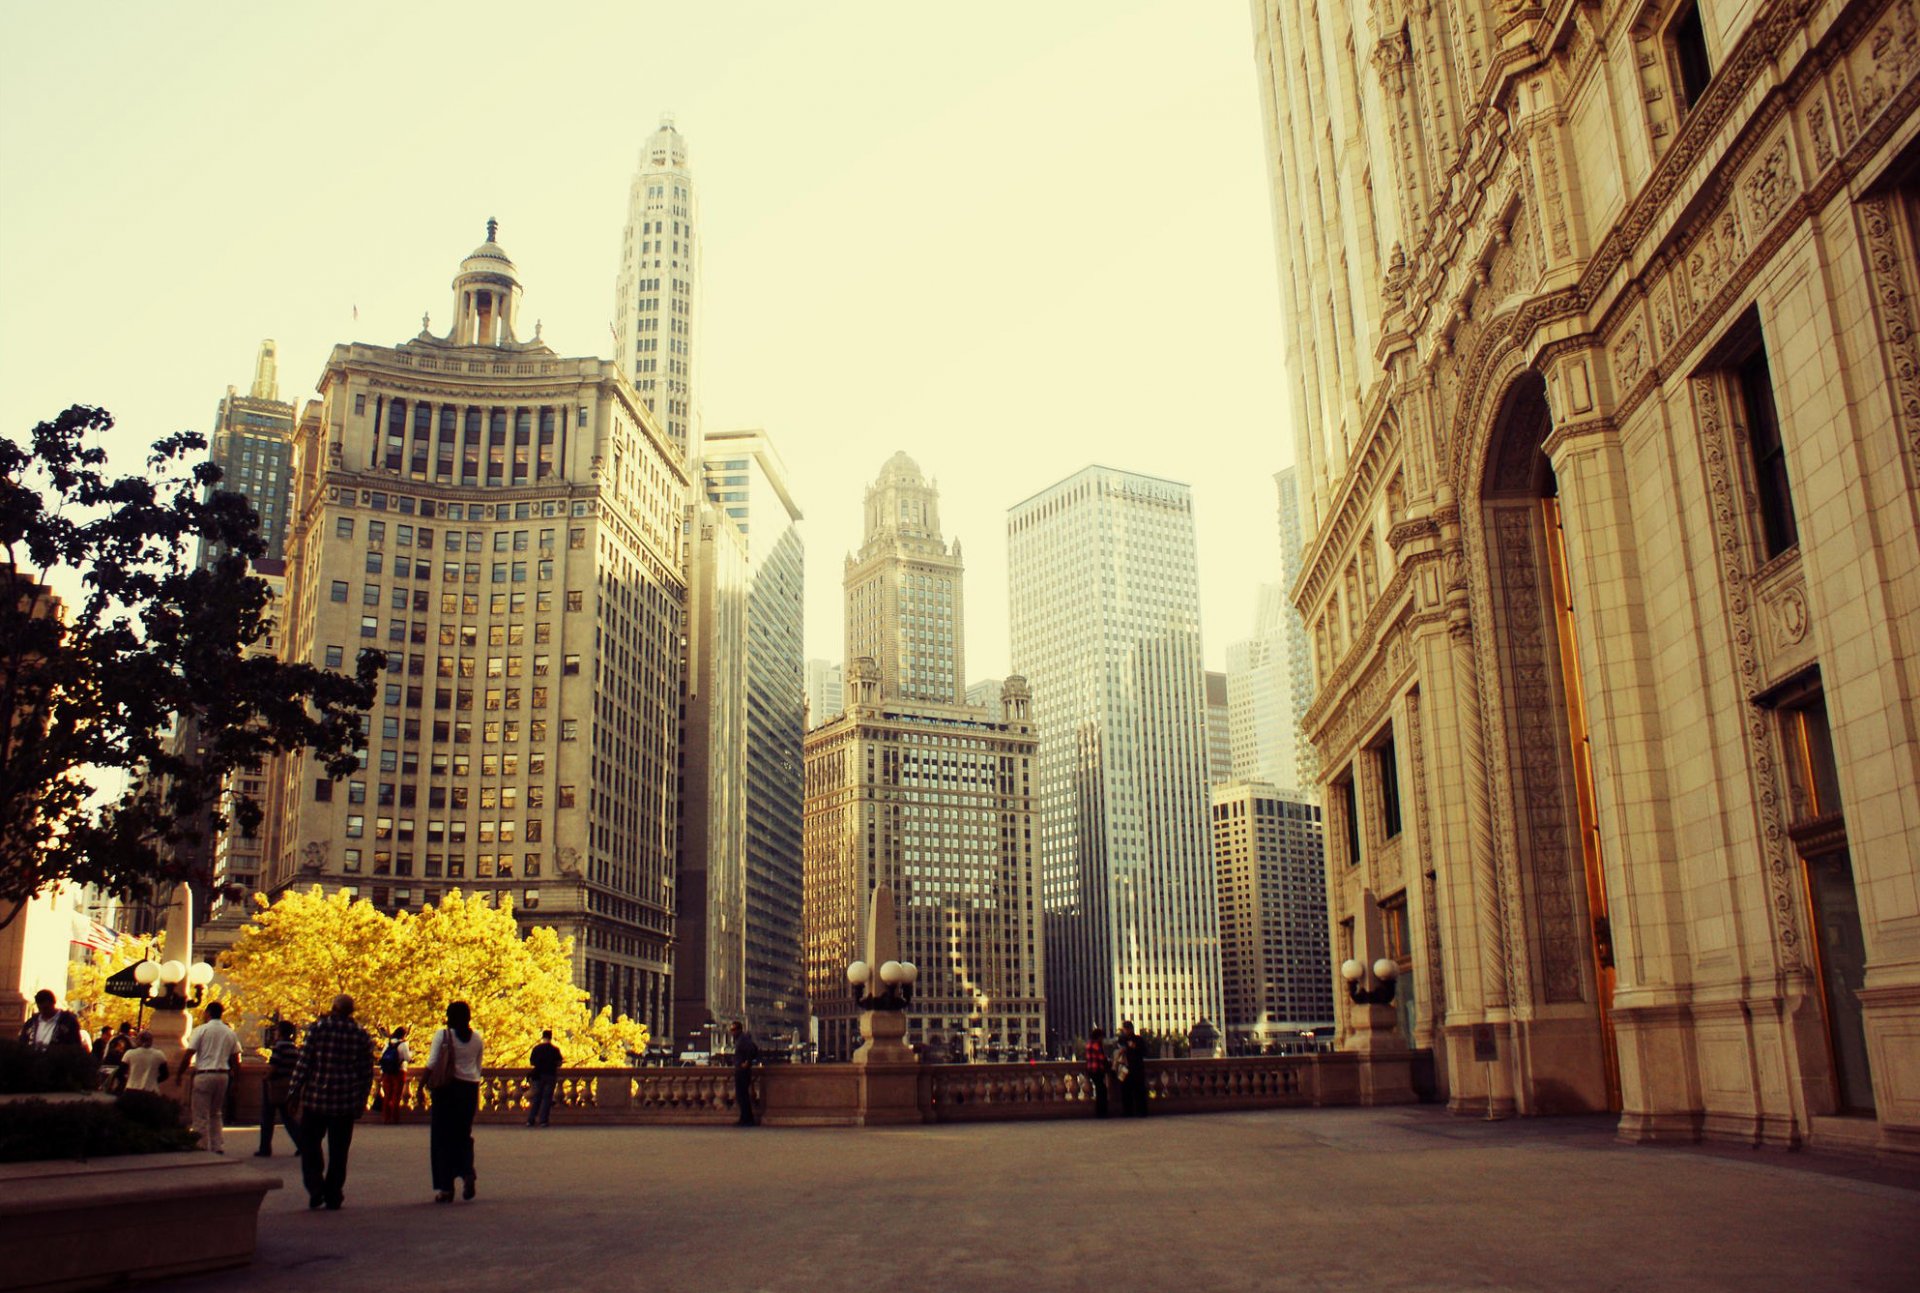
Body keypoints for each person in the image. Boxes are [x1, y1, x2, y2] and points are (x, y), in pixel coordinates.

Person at [289, 995, 375, 1212]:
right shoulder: (360, 1034)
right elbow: (365, 1073)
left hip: (316, 1099)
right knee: (339, 1151)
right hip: (344, 1101)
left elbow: (304, 1062)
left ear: (333, 1008)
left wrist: (294, 1091)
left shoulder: (318, 1029)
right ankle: (333, 1193)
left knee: (310, 1146)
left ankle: (315, 1187)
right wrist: (362, 1099)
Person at [427, 1001, 484, 1203]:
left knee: (442, 1139)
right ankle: (467, 1171)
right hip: (469, 1089)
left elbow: (432, 1063)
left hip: (446, 1090)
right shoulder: (477, 1038)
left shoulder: (443, 1035)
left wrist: (424, 1085)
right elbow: (478, 1067)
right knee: (463, 1135)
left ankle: (446, 1188)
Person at [178, 1001, 242, 1153]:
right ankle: (217, 1145)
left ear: (208, 1013)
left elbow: (189, 1053)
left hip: (205, 1074)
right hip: (223, 1076)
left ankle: (201, 1144)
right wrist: (236, 1082)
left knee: (200, 1112)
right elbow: (235, 1059)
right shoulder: (229, 1032)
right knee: (216, 1112)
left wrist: (180, 1073)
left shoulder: (201, 1030)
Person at [256, 1021, 303, 1157]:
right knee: (288, 1118)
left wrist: (266, 1077)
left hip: (275, 1085)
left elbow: (274, 1066)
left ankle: (265, 1148)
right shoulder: (294, 1048)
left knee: (267, 1117)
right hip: (288, 1084)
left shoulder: (279, 1047)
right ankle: (302, 1144)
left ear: (280, 1032)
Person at [18, 989, 83, 1049]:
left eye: (46, 1008)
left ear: (53, 1004)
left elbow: (75, 1046)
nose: (43, 1012)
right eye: (40, 1009)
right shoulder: (31, 1023)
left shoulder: (68, 1022)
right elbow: (22, 1043)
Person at [526, 1030, 562, 1128]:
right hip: (550, 1075)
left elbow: (532, 1062)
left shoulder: (537, 1049)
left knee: (537, 1098)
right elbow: (559, 1063)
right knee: (547, 1098)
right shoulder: (555, 1050)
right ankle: (543, 1120)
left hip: (538, 1075)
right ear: (551, 1038)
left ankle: (531, 1119)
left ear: (542, 1037)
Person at [729, 1020, 760, 1126]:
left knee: (742, 1096)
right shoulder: (740, 1039)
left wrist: (747, 1062)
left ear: (739, 1030)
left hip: (743, 1072)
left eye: (733, 1029)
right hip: (740, 1070)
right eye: (731, 1030)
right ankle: (745, 1118)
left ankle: (746, 1119)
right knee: (742, 1096)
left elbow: (752, 1050)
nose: (732, 1032)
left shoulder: (743, 1039)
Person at [378, 1027, 411, 1124]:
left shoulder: (388, 1044)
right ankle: (394, 1118)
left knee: (387, 1095)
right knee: (396, 1096)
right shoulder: (403, 1045)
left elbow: (383, 1057)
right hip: (399, 1071)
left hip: (387, 1072)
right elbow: (407, 1058)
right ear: (403, 1035)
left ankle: (386, 1118)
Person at [1117, 1019, 1149, 1118]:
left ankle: (1139, 1111)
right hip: (1127, 1067)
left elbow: (1144, 1052)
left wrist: (1134, 1047)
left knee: (1138, 1090)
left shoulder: (1138, 1040)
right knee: (1126, 1090)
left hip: (1135, 1067)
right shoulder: (1122, 1040)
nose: (1125, 1031)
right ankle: (1129, 1111)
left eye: (1125, 1029)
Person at [1084, 1026, 1112, 1119]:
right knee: (1102, 1091)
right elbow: (1101, 1058)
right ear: (1098, 1036)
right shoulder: (1097, 1045)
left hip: (1091, 1070)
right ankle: (1102, 1112)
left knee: (1099, 1090)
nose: (1102, 1039)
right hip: (1098, 1069)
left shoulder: (1088, 1044)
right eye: (1102, 1037)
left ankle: (1099, 1112)